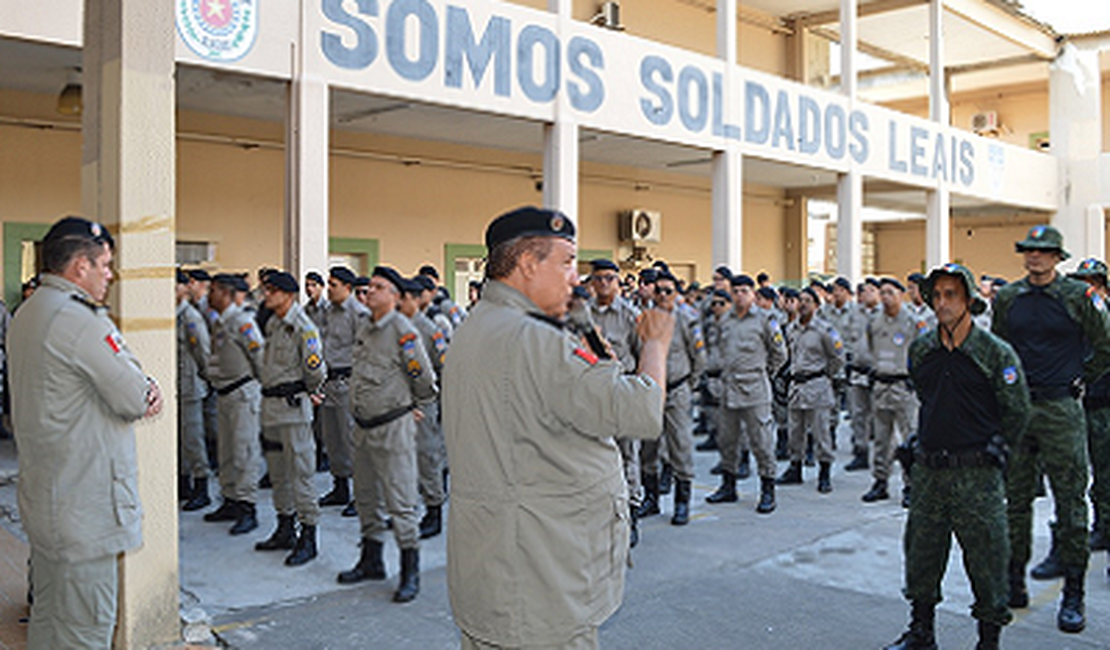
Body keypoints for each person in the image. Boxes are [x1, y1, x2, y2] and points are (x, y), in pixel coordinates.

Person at [443, 206, 671, 649]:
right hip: (540, 583)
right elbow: (640, 409)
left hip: (493, 571)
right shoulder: (536, 340)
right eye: (566, 262)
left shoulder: (478, 325)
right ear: (528, 263)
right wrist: (657, 344)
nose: (575, 277)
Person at [9, 216, 164, 648]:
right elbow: (135, 396)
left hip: (49, 503)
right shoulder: (80, 320)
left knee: (48, 623)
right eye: (106, 266)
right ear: (80, 267)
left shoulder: (29, 311)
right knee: (85, 632)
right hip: (85, 514)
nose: (110, 276)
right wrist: (149, 385)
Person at [884, 263, 1030, 650]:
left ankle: (988, 640)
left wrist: (1000, 449)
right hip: (930, 471)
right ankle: (921, 632)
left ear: (968, 300)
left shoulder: (994, 353)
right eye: (937, 295)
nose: (942, 303)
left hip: (976, 475)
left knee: (987, 561)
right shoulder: (923, 348)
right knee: (921, 554)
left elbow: (1017, 411)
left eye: (951, 294)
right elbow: (927, 396)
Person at [990, 225, 1110, 633]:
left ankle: (1073, 593)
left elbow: (1105, 344)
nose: (1034, 257)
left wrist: (1080, 377)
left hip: (1062, 408)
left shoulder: (1079, 297)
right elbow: (1001, 349)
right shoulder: (1009, 299)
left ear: (1058, 257)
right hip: (1022, 409)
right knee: (1016, 501)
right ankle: (1013, 583)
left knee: (1071, 502)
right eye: (1028, 251)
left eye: (1042, 252)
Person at [338, 266, 436, 603]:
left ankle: (410, 571)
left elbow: (422, 376)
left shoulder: (402, 331)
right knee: (365, 496)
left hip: (392, 427)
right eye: (369, 287)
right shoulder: (365, 326)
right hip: (364, 427)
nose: (370, 292)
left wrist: (417, 404)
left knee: (400, 499)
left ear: (394, 296)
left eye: (378, 287)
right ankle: (371, 560)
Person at [255, 271, 328, 566]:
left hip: (293, 408)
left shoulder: (303, 327)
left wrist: (310, 391)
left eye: (271, 291)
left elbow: (316, 370)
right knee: (277, 472)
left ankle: (308, 535)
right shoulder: (273, 323)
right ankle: (285, 526)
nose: (266, 296)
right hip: (271, 407)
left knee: (301, 473)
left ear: (288, 295)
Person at [705, 274, 787, 513]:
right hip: (729, 388)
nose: (740, 295)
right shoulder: (725, 320)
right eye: (736, 291)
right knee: (728, 440)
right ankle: (728, 486)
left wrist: (763, 373)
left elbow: (780, 354)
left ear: (753, 294)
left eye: (744, 291)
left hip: (755, 389)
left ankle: (768, 490)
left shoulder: (766, 319)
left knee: (761, 442)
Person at [639, 268, 706, 526]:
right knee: (649, 447)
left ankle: (681, 502)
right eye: (659, 290)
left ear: (676, 292)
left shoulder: (686, 319)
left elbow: (699, 357)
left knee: (680, 445)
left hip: (677, 390)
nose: (663, 295)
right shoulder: (645, 318)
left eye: (669, 290)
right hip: (651, 392)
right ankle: (651, 498)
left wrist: (689, 384)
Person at [587, 258, 645, 544]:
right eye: (599, 278)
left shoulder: (631, 315)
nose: (604, 283)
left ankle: (631, 515)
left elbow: (642, 355)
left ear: (619, 282)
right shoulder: (580, 315)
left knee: (627, 455)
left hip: (622, 391)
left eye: (610, 278)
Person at [204, 273, 265, 535]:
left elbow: (259, 356)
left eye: (214, 291)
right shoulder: (221, 322)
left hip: (242, 394)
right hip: (225, 394)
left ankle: (247, 507)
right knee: (226, 451)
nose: (209, 295)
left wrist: (264, 388)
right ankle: (229, 500)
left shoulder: (242, 322)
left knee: (244, 452)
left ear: (227, 294)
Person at [778, 287, 845, 492]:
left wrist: (826, 376)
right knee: (795, 431)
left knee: (821, 433)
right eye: (801, 300)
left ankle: (824, 473)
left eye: (808, 300)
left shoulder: (825, 330)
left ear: (816, 305)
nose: (804, 304)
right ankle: (795, 468)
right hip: (796, 386)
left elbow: (837, 358)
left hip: (817, 385)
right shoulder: (791, 329)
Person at [859, 278, 919, 506]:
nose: (885, 297)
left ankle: (911, 485)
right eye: (882, 293)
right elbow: (871, 349)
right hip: (881, 386)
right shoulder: (875, 322)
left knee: (909, 438)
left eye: (890, 293)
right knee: (881, 439)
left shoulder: (912, 322)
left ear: (901, 295)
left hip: (903, 387)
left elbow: (921, 353)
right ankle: (880, 481)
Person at [399, 276, 449, 539]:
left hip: (424, 403)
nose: (399, 302)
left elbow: (445, 368)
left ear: (416, 300)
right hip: (399, 404)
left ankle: (434, 513)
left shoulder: (429, 330)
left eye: (404, 298)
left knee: (428, 459)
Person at [1068, 258, 1110, 565]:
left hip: (1106, 405)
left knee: (1106, 471)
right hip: (1083, 404)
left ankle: (1105, 526)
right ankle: (1100, 524)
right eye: (1082, 283)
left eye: (1091, 283)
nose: (1087, 289)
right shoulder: (1076, 321)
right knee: (1089, 470)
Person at [316, 267, 367, 517]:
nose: (329, 288)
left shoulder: (358, 313)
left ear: (347, 287)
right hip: (329, 383)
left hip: (349, 382)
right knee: (332, 439)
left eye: (333, 284)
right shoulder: (326, 312)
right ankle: (340, 488)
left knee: (351, 440)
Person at [177, 269, 213, 511]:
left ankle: (202, 487)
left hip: (190, 384)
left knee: (192, 439)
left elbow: (203, 352)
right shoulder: (173, 315)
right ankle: (183, 484)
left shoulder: (190, 317)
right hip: (176, 385)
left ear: (183, 288)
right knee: (178, 440)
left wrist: (207, 378)